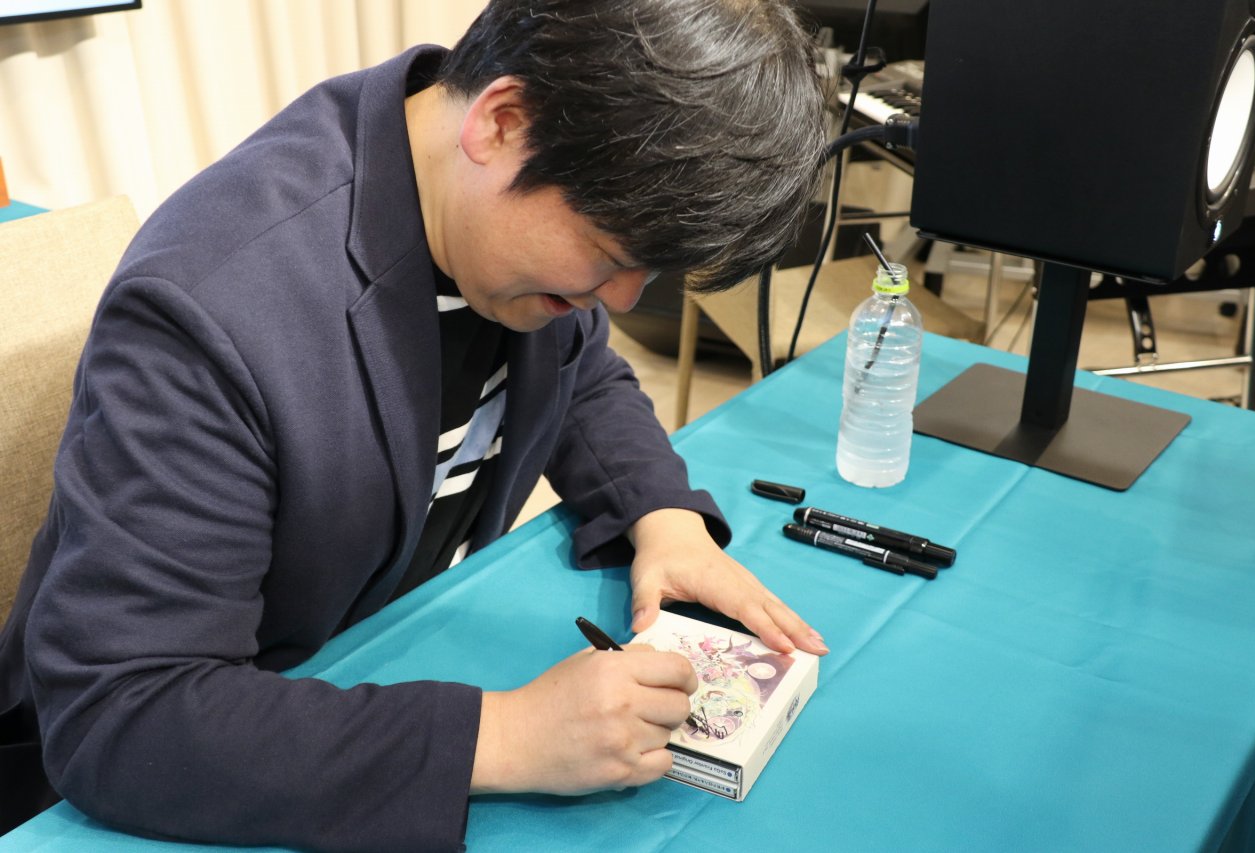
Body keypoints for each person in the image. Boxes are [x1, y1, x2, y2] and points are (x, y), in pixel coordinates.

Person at [0, 0, 828, 849]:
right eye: (613, 257)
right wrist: (504, 738)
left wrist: (664, 518)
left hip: (378, 650)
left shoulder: (502, 224)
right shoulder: (213, 309)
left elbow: (582, 375)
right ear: (502, 123)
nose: (617, 300)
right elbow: (124, 712)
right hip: (192, 766)